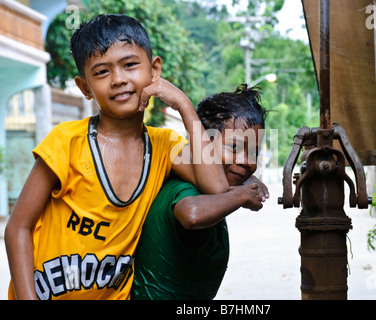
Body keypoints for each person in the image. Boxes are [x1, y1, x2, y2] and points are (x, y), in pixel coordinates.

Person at [4, 14, 230, 300]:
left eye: (130, 65)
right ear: (85, 87)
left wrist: (185, 106)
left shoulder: (165, 146)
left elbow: (217, 189)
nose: (118, 79)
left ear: (155, 69)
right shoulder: (67, 143)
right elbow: (17, 228)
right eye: (101, 72)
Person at [132, 84, 269, 300]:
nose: (245, 161)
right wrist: (241, 194)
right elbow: (192, 214)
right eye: (233, 147)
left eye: (253, 152)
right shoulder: (185, 188)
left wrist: (243, 182)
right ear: (201, 143)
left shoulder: (212, 189)